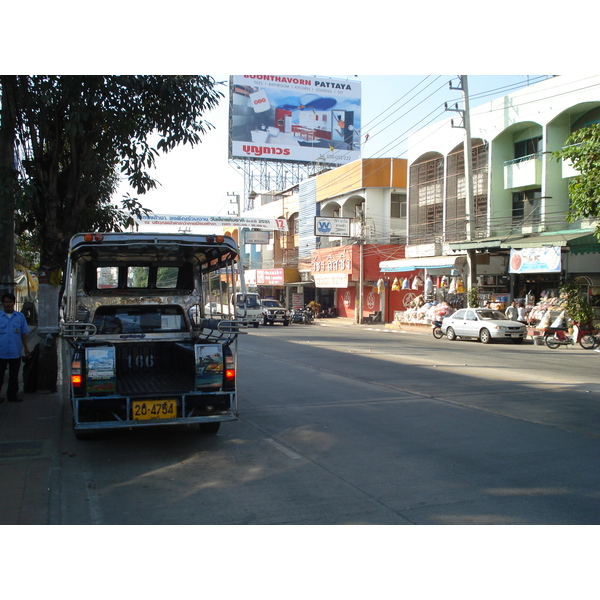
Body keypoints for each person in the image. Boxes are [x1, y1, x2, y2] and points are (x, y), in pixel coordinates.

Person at [0, 293, 31, 403]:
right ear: (3, 303)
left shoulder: (20, 317)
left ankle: (12, 395)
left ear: (14, 303)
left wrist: (26, 348)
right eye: (6, 302)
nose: (8, 304)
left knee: (14, 376)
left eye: (10, 302)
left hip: (15, 352)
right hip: (1, 352)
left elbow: (23, 334)